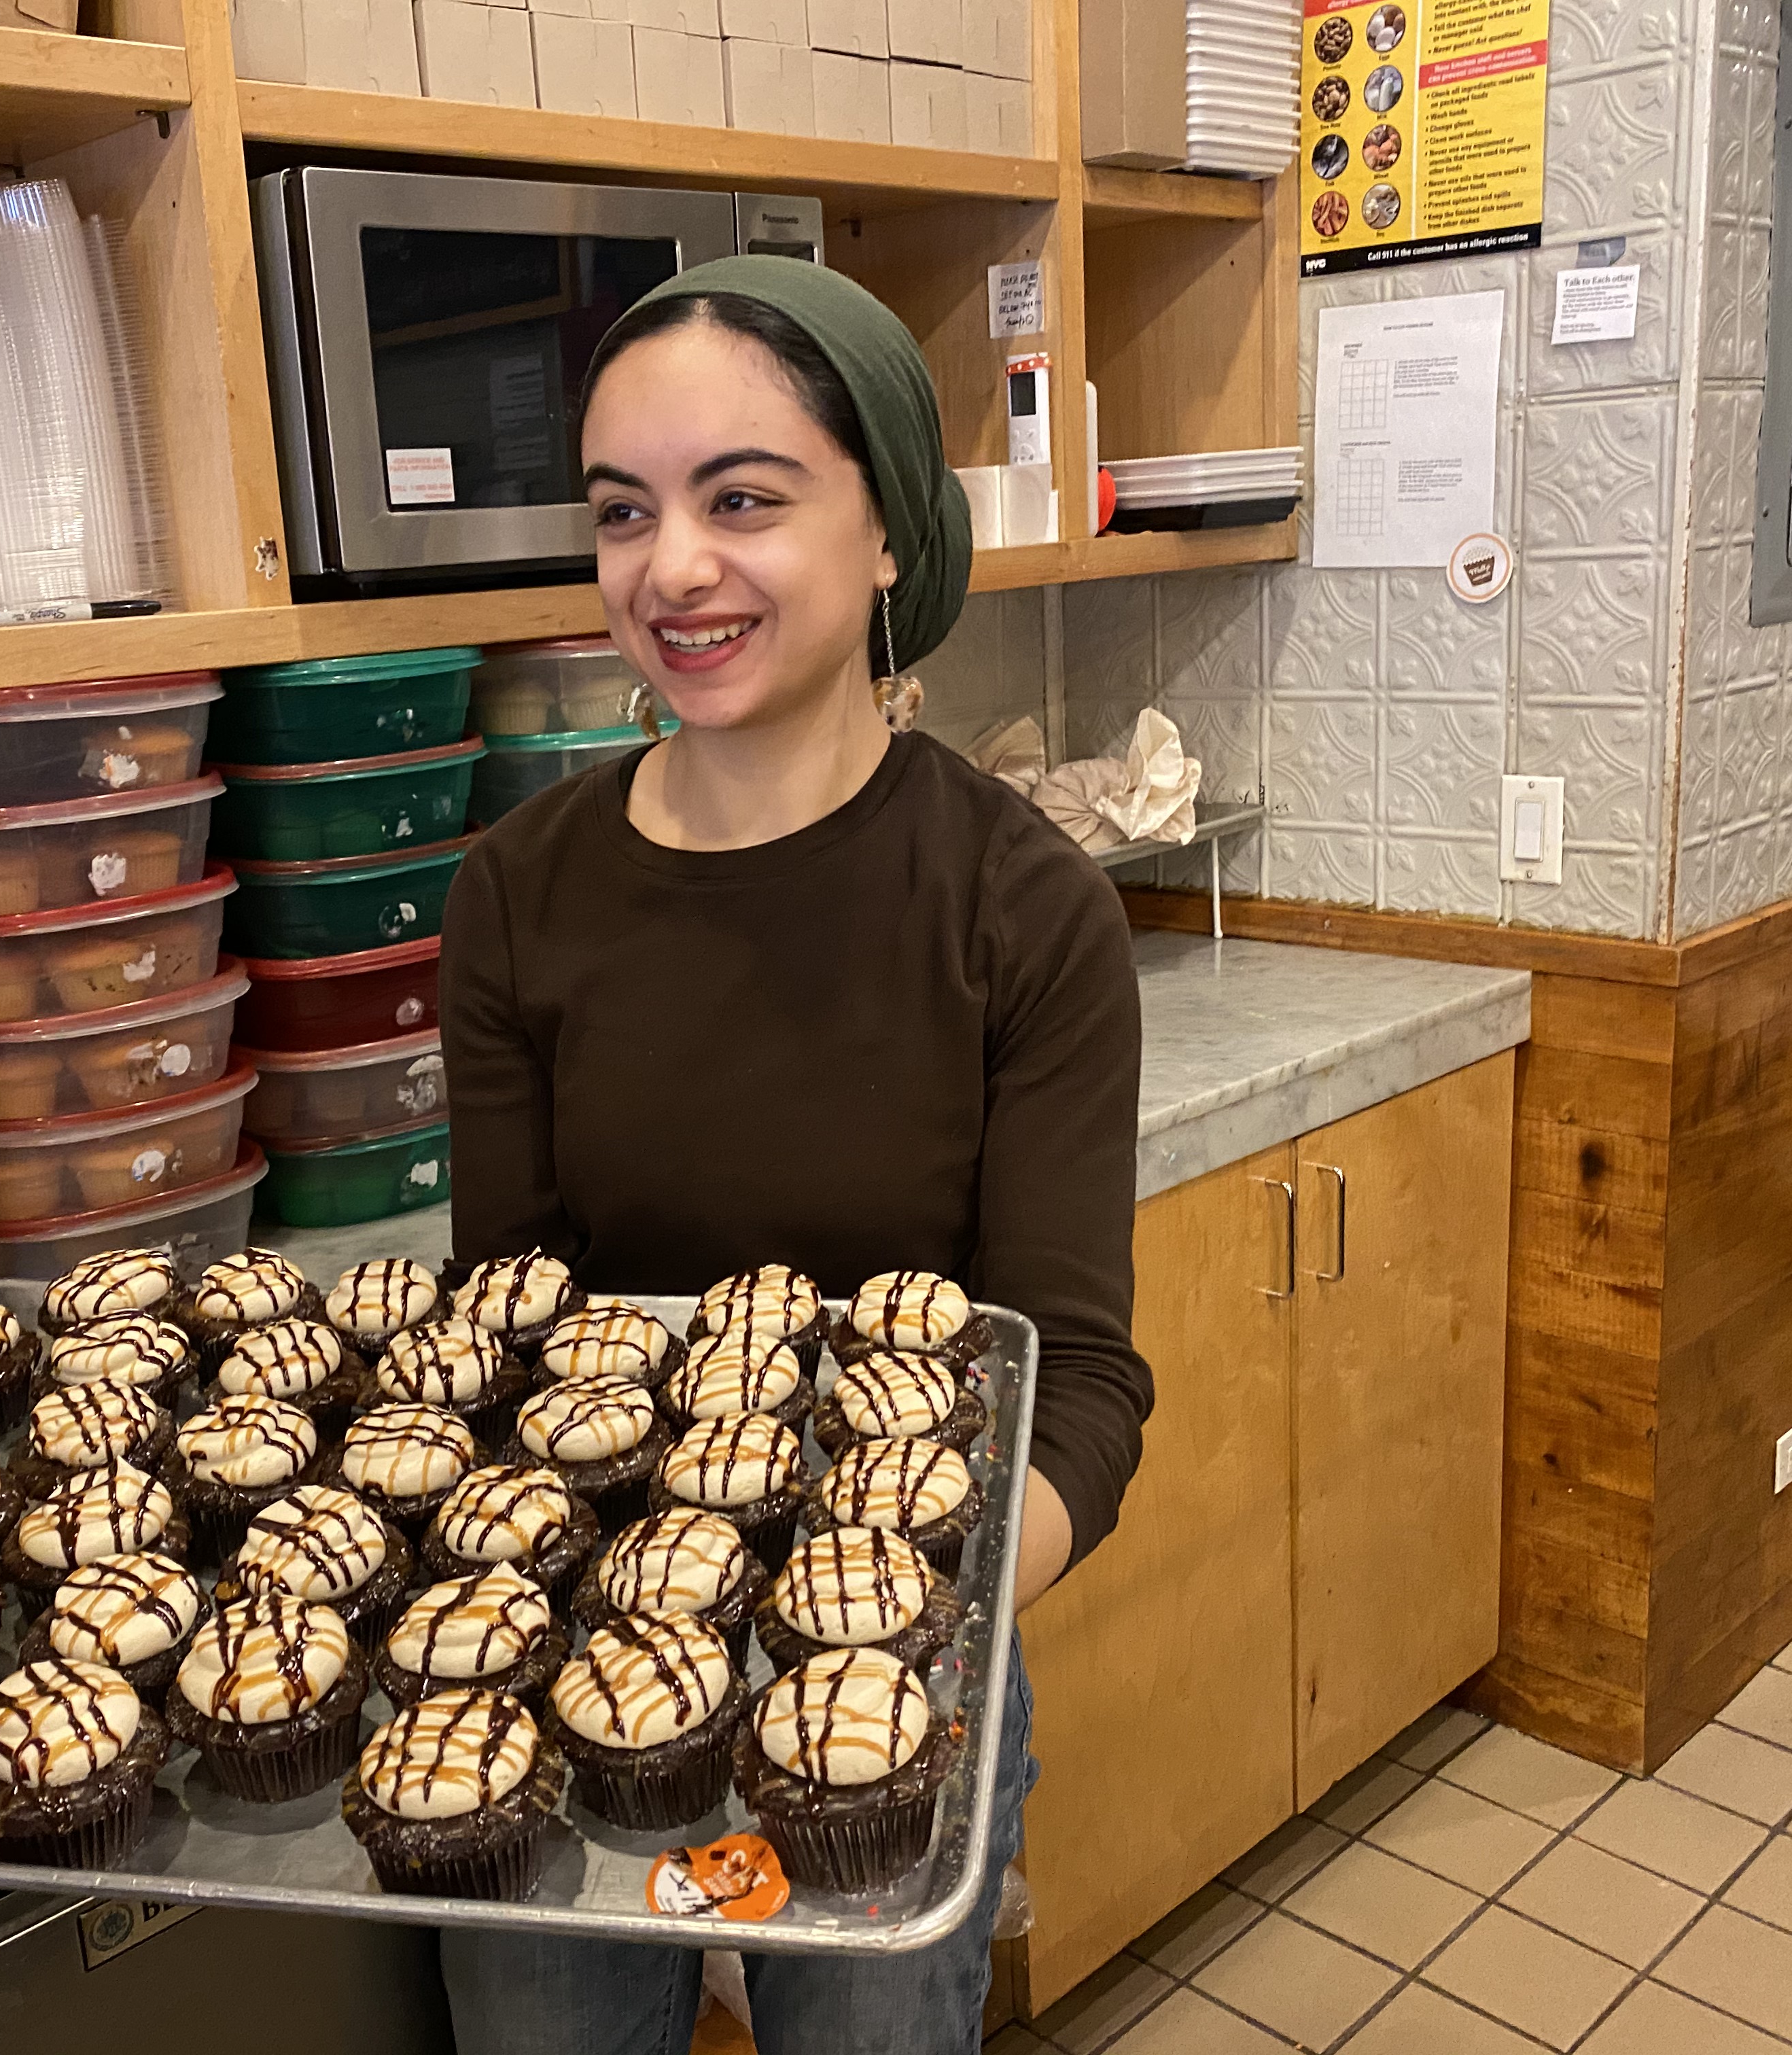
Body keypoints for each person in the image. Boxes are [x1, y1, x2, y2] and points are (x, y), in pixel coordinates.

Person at [437, 256, 1153, 2055]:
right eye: (625, 514)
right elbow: (509, 1319)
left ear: (892, 532)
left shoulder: (1023, 914)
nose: (672, 567)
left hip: (889, 1686)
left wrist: (861, 1651)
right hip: (572, 1669)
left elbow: (1073, 1395)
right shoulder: (517, 900)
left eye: (744, 498)